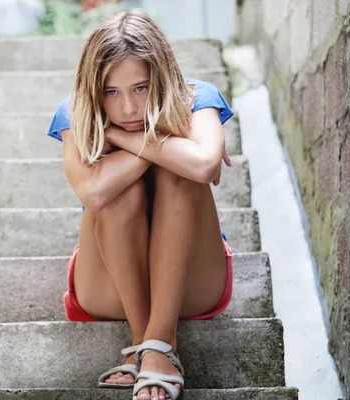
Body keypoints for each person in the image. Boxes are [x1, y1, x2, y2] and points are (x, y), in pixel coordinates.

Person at [46, 10, 234, 400]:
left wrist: (122, 137)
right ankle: (145, 342)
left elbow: (200, 166)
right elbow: (94, 193)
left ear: (162, 78)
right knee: (118, 192)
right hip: (106, 287)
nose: (128, 109)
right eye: (111, 93)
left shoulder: (198, 96)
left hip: (194, 283)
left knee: (178, 176)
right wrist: (169, 142)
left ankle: (159, 343)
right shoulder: (75, 112)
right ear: (93, 90)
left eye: (142, 88)